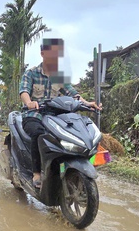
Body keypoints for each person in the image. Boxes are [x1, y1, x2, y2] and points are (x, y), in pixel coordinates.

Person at [19, 38, 101, 187]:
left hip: (56, 117)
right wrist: (29, 103)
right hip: (35, 114)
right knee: (38, 134)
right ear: (43, 53)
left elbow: (73, 93)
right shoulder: (31, 73)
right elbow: (24, 91)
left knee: (74, 131)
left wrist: (87, 103)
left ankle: (64, 166)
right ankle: (37, 173)